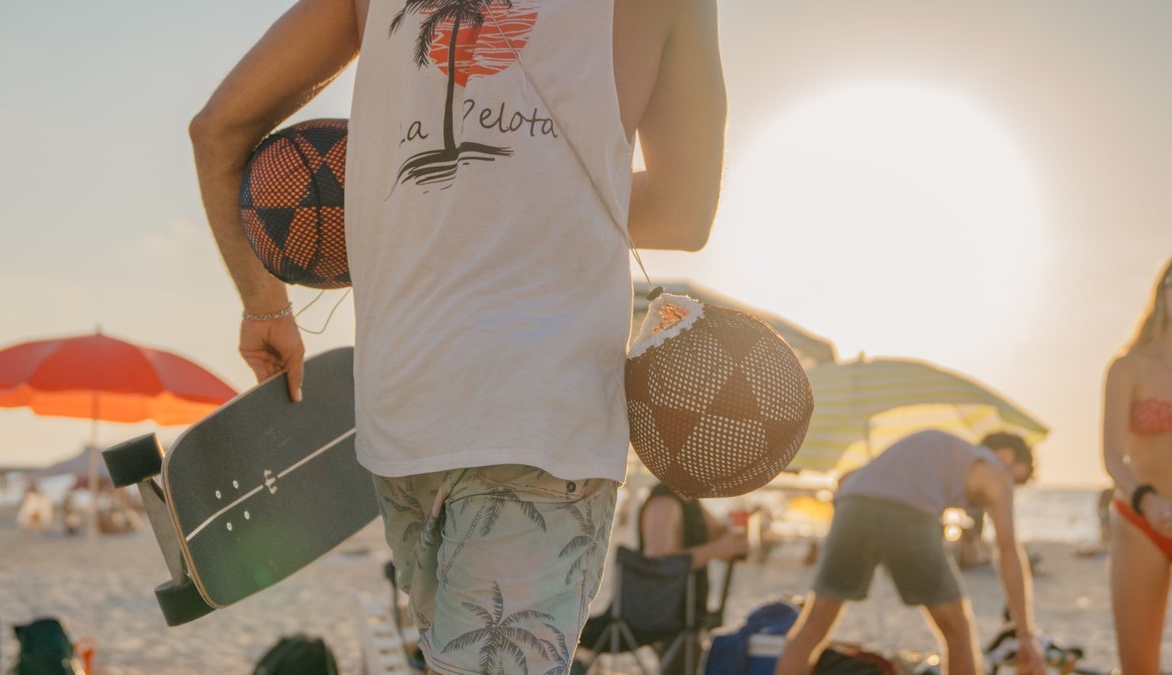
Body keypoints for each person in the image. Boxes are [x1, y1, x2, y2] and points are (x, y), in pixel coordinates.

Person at [189, 0, 726, 672]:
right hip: (544, 412)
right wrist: (536, 185)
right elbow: (684, 211)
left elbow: (218, 131)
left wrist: (263, 307)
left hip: (403, 417)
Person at [774, 430, 1044, 675]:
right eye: (1016, 480)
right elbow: (1008, 551)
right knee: (957, 633)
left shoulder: (943, 450)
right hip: (907, 513)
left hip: (852, 505)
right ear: (1006, 457)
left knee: (814, 624)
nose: (1010, 490)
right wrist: (1025, 634)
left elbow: (845, 478)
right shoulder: (994, 470)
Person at [1101, 257, 1172, 674]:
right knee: (1138, 666)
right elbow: (1112, 455)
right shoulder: (1128, 367)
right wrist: (1149, 500)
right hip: (1140, 520)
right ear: (1162, 293)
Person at [638, 483, 749, 673]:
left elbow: (714, 533)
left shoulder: (689, 497)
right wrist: (719, 549)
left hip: (691, 612)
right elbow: (658, 563)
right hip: (667, 614)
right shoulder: (664, 502)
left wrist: (735, 531)